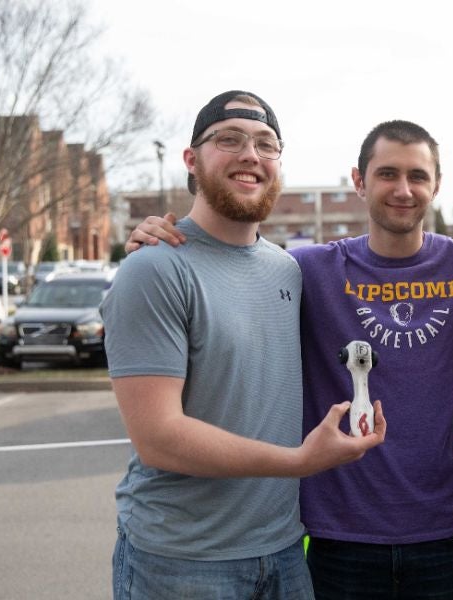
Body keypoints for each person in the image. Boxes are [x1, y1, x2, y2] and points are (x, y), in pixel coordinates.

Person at [126, 120, 453, 599]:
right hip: (337, 535)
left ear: (436, 186)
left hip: (444, 531)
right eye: (387, 174)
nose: (403, 189)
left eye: (418, 176)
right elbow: (234, 257)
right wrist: (169, 239)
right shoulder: (306, 269)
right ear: (359, 181)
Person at [101, 90, 386, 600]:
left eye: (265, 144)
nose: (250, 155)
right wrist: (300, 461)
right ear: (191, 160)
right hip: (181, 562)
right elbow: (158, 437)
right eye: (228, 139)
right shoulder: (154, 268)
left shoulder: (288, 269)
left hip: (283, 553)